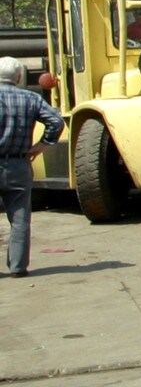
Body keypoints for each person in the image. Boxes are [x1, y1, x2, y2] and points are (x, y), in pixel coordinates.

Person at [1, 56, 65, 278]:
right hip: (19, 164)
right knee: (19, 219)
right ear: (19, 77)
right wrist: (41, 145)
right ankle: (18, 267)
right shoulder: (30, 98)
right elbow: (56, 122)